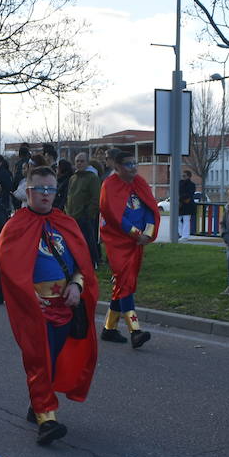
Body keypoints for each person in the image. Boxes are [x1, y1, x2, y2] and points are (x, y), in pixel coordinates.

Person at [0, 165, 98, 444]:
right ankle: (47, 420)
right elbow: (10, 270)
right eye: (40, 189)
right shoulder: (15, 226)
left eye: (51, 189)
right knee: (39, 360)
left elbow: (82, 264)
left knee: (52, 361)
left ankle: (37, 404)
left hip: (65, 307)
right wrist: (30, 297)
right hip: (35, 310)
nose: (46, 194)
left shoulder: (66, 223)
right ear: (28, 191)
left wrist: (77, 286)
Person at [98, 148, 159, 349]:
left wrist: (147, 233)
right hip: (118, 243)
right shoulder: (109, 185)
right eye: (129, 164)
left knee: (123, 284)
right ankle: (135, 331)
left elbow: (150, 209)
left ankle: (109, 328)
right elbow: (115, 217)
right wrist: (135, 233)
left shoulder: (140, 183)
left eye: (135, 164)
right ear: (117, 166)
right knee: (124, 283)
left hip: (137, 242)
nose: (134, 168)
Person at [66, 152, 101, 268]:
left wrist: (89, 215)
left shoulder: (92, 178)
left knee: (88, 241)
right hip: (72, 216)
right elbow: (69, 195)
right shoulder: (73, 178)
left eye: (82, 161)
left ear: (87, 163)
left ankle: (93, 262)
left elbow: (96, 197)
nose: (79, 163)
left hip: (85, 217)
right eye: (77, 161)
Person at [178, 169, 198, 239]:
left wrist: (181, 198)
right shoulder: (180, 183)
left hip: (187, 204)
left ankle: (185, 235)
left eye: (184, 176)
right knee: (178, 220)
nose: (183, 177)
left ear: (189, 176)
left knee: (186, 220)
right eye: (182, 176)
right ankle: (180, 234)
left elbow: (190, 194)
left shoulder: (191, 185)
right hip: (180, 204)